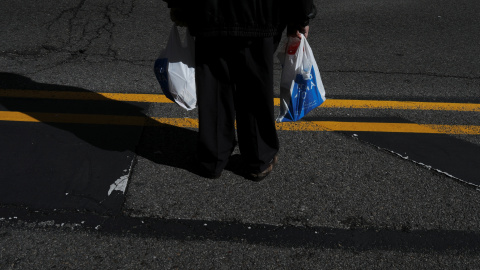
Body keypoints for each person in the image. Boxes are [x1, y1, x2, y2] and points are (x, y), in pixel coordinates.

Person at [163, 0, 316, 180]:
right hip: (261, 14)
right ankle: (258, 158)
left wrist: (178, 5)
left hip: (210, 12)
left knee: (214, 86)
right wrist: (301, 16)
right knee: (255, 87)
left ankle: (214, 157)